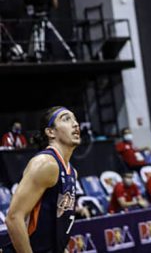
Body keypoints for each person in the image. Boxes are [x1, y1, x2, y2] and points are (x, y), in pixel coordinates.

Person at [3, 106, 80, 253]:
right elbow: (14, 218)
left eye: (75, 119)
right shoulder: (46, 164)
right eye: (66, 119)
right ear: (50, 132)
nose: (75, 124)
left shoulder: (72, 172)